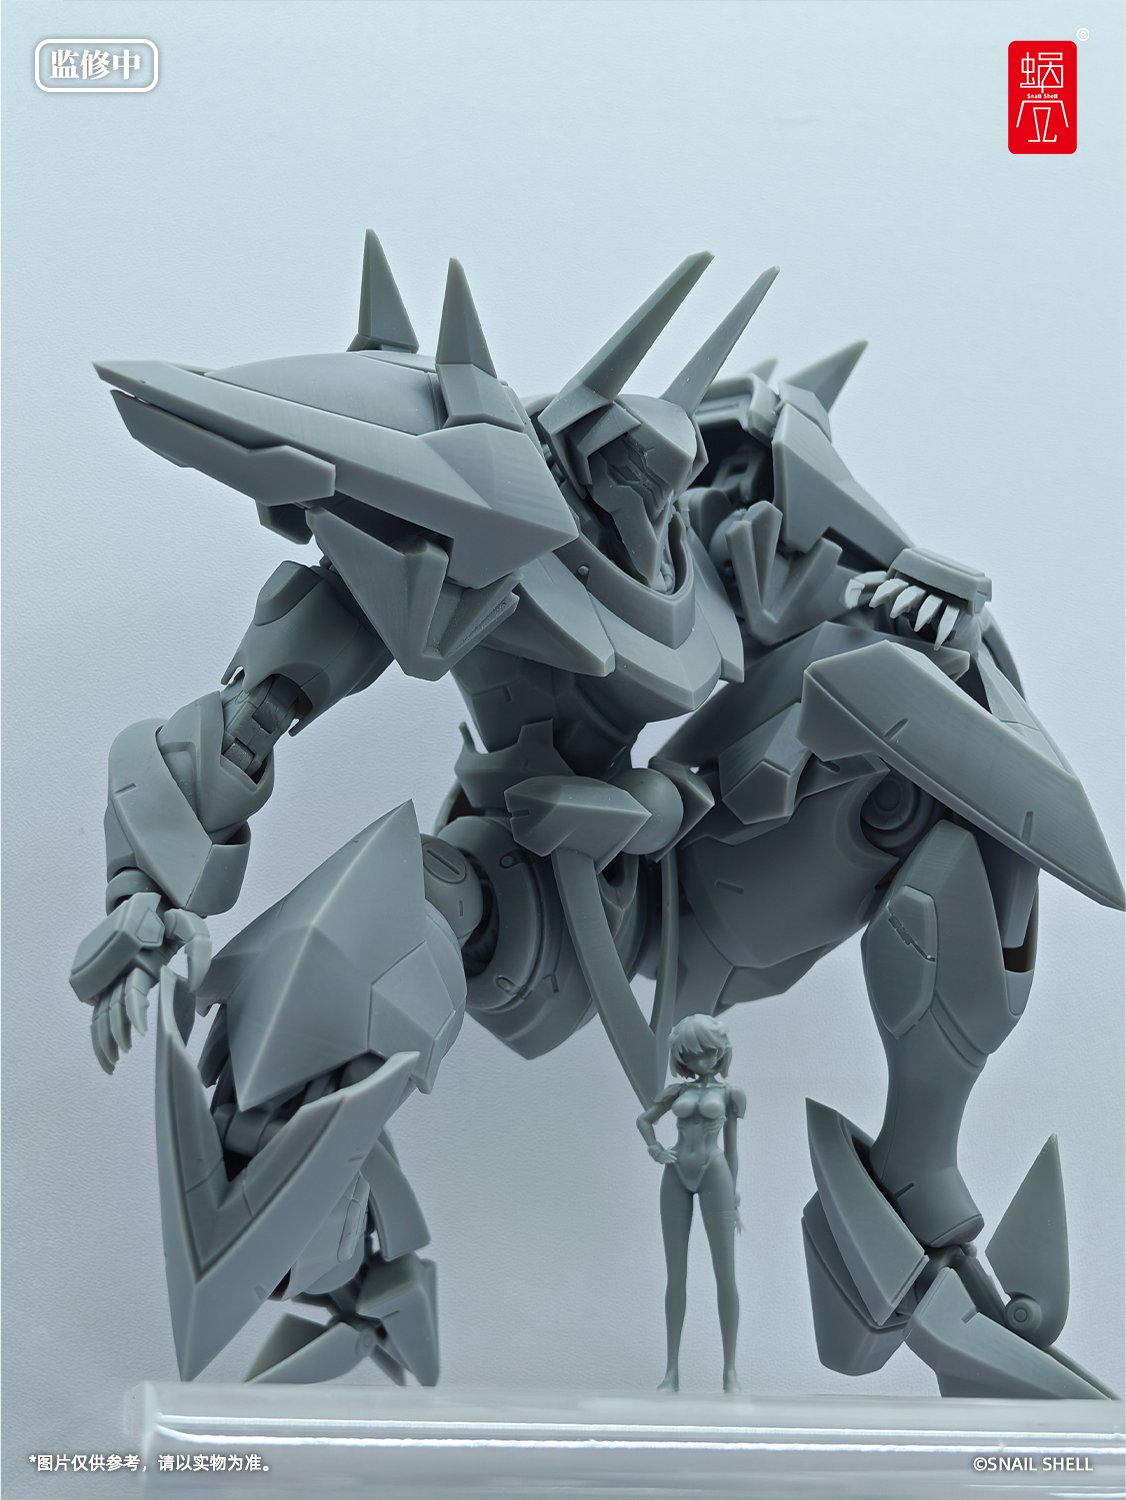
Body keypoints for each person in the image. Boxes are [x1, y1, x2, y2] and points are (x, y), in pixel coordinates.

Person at [637, 1014, 745, 1393]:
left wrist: (734, 1195)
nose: (702, 1060)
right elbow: (644, 1120)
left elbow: (732, 1148)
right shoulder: (675, 1093)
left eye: (709, 1052)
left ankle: (730, 1371)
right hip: (676, 1172)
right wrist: (654, 1148)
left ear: (720, 1051)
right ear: (682, 1055)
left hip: (715, 1172)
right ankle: (671, 1371)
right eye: (693, 1054)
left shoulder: (731, 1094)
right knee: (676, 1276)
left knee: (725, 1274)